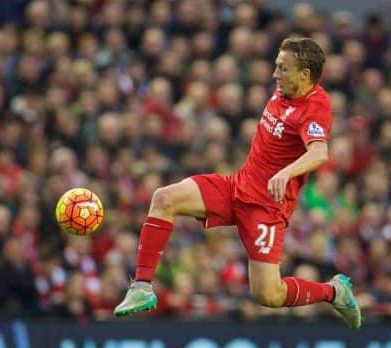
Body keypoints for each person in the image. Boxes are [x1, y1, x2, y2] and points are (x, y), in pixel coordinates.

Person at [113, 38, 362, 329]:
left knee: (268, 294)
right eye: (276, 66)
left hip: (266, 208)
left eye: (282, 68)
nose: (274, 74)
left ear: (304, 75)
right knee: (165, 198)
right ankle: (142, 286)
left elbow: (319, 152)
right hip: (237, 187)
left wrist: (285, 173)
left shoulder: (314, 108)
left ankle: (335, 291)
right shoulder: (287, 88)